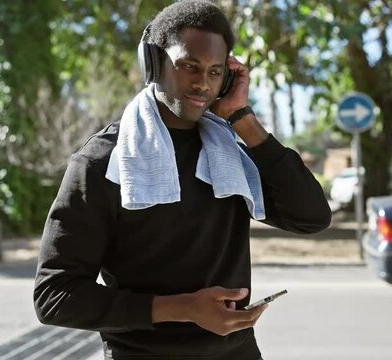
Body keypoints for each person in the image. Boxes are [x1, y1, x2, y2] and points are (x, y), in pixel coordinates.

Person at [33, 1, 331, 359]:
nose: (202, 83)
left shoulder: (232, 153)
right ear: (154, 63)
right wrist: (182, 309)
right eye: (189, 66)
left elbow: (312, 218)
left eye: (215, 72)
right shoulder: (102, 162)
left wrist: (243, 119)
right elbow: (55, 296)